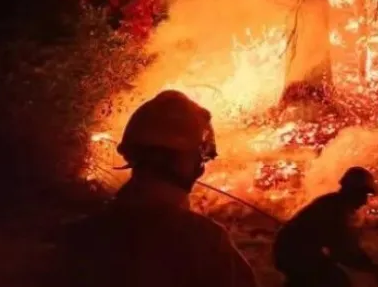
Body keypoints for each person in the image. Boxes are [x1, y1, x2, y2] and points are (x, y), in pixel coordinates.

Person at [47, 90, 258, 287]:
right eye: (201, 159)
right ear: (189, 162)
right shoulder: (208, 243)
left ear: (132, 154)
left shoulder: (76, 238)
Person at [272, 166, 378, 287]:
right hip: (293, 253)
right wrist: (373, 269)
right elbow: (343, 252)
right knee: (336, 281)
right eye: (363, 194)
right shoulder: (337, 211)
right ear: (352, 191)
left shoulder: (333, 203)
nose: (365, 201)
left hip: (289, 250)